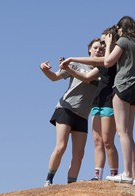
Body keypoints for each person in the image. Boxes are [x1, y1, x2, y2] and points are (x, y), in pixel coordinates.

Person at [39, 39, 101, 187]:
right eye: (96, 47)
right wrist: (44, 69)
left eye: (102, 48)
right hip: (66, 108)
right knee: (61, 146)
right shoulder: (76, 64)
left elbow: (89, 80)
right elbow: (54, 77)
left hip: (82, 115)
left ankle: (70, 185)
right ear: (89, 50)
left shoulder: (103, 70)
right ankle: (48, 180)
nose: (99, 50)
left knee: (79, 154)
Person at [61, 27, 119, 181]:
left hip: (109, 102)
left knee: (108, 141)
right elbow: (86, 76)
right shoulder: (102, 63)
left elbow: (96, 61)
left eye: (104, 41)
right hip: (97, 102)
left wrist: (72, 59)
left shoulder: (113, 58)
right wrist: (69, 67)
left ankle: (114, 174)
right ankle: (97, 175)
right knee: (97, 141)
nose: (101, 45)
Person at [103, 16, 135, 186]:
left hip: (123, 87)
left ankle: (127, 173)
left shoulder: (123, 41)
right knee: (129, 133)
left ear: (121, 28)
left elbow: (108, 62)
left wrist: (109, 44)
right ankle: (134, 176)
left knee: (122, 132)